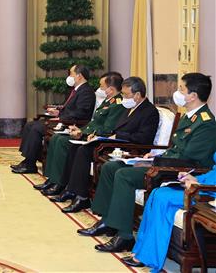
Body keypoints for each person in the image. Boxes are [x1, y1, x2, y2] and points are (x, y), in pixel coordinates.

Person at [80, 73, 216, 253]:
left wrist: (155, 162)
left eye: (181, 89)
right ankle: (108, 221)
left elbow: (189, 159)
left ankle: (124, 236)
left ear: (193, 96)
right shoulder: (189, 116)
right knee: (111, 166)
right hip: (166, 163)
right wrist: (152, 156)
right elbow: (175, 149)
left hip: (178, 172)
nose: (177, 92)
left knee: (124, 175)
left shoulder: (206, 123)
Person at [59, 76, 158, 213]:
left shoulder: (149, 111)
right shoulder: (129, 107)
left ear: (137, 95)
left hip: (131, 148)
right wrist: (98, 136)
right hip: (115, 143)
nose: (123, 97)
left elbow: (144, 138)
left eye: (126, 94)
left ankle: (82, 197)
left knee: (84, 151)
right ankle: (74, 191)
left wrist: (118, 136)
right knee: (80, 148)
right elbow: (114, 129)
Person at [38, 72, 124, 198]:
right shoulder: (108, 100)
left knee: (62, 141)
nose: (100, 89)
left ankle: (60, 183)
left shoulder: (117, 103)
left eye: (102, 86)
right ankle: (53, 179)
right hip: (88, 133)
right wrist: (79, 129)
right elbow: (94, 122)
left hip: (96, 138)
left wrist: (83, 133)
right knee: (57, 138)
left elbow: (107, 129)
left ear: (111, 89)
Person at [125, 153, 216, 270]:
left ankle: (148, 256)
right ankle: (141, 250)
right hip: (203, 185)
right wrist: (194, 178)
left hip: (208, 192)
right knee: (156, 192)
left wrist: (198, 185)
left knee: (162, 198)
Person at [12, 65, 96, 174]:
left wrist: (61, 118)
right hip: (64, 120)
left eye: (71, 74)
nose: (69, 77)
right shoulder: (76, 90)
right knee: (30, 125)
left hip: (72, 124)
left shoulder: (86, 91)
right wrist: (58, 112)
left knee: (36, 128)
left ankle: (30, 164)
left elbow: (81, 113)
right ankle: (28, 160)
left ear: (79, 76)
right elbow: (70, 109)